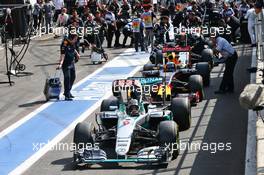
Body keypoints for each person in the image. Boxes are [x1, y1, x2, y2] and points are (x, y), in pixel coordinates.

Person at [57, 33, 80, 101]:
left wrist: (77, 54)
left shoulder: (72, 43)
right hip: (66, 64)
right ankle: (67, 95)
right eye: (75, 39)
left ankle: (68, 91)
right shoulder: (64, 44)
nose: (76, 40)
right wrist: (60, 64)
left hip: (72, 63)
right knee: (67, 78)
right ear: (71, 38)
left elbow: (73, 48)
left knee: (73, 77)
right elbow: (62, 54)